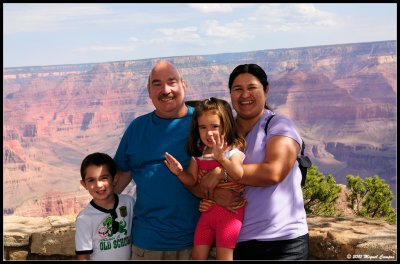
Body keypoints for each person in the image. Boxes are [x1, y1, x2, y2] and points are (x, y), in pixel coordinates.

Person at [200, 64, 309, 260]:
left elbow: (274, 172)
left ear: (266, 89)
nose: (245, 95)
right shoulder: (221, 131)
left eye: (252, 88)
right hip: (237, 240)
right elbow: (200, 180)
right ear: (230, 93)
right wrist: (215, 194)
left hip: (283, 241)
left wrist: (222, 172)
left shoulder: (278, 125)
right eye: (238, 89)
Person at [112, 60, 202, 260]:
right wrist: (92, 215)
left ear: (183, 85)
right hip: (148, 244)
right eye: (157, 84)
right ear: (149, 90)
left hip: (198, 242)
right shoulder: (137, 128)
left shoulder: (204, 124)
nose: (166, 90)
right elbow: (121, 175)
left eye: (172, 82)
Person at [164, 97, 246, 260]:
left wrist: (222, 159)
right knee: (197, 256)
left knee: (225, 257)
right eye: (203, 127)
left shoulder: (232, 152)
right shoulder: (199, 155)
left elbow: (238, 174)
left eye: (215, 126)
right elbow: (192, 181)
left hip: (229, 215)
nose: (209, 133)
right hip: (207, 214)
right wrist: (180, 173)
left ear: (225, 126)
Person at [75, 152, 135, 260]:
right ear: (84, 184)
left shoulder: (128, 203)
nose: (98, 185)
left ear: (115, 179)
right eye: (91, 180)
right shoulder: (84, 218)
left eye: (104, 178)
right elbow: (83, 257)